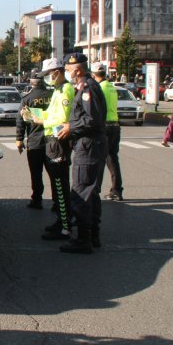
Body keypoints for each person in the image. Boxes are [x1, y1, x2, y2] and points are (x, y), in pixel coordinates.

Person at [57, 53, 108, 254]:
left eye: (68, 70)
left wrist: (71, 127)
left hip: (88, 146)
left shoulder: (88, 88)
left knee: (81, 192)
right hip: (91, 144)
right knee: (91, 192)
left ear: (77, 70)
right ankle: (92, 236)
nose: (67, 73)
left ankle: (83, 239)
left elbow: (92, 120)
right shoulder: (85, 87)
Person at [30, 58, 75, 241]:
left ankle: (65, 227)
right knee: (58, 185)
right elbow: (52, 112)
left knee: (60, 185)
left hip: (58, 141)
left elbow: (63, 119)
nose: (47, 78)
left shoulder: (65, 90)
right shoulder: (57, 90)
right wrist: (36, 115)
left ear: (57, 72)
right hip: (51, 140)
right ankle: (62, 221)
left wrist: (43, 121)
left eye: (48, 74)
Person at [16, 72, 53, 209]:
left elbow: (21, 121)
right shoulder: (52, 96)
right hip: (52, 141)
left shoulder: (28, 98)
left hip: (35, 142)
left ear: (31, 83)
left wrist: (19, 140)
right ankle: (57, 201)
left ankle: (37, 199)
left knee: (36, 173)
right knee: (55, 174)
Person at [92, 63, 123, 201]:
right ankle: (117, 190)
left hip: (104, 126)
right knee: (112, 159)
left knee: (99, 158)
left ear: (93, 75)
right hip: (115, 125)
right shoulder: (111, 87)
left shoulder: (99, 88)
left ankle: (95, 191)